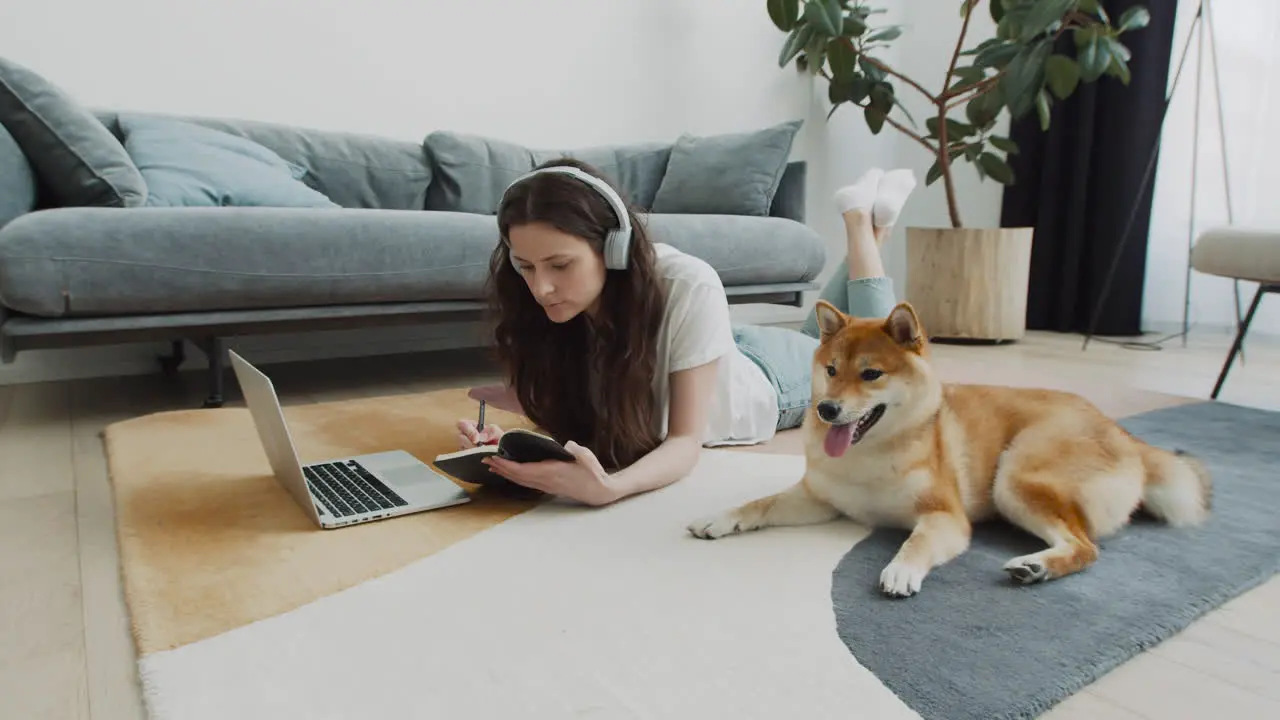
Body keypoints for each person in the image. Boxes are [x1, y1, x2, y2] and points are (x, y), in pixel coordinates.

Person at [455, 158, 917, 506]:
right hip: (718, 352)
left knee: (870, 354)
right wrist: (512, 445)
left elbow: (683, 443)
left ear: (613, 248)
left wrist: (610, 488)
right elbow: (592, 405)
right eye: (525, 266)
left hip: (774, 379)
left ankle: (860, 224)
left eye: (560, 265)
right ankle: (874, 226)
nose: (541, 287)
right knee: (827, 328)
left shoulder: (688, 282)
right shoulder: (550, 299)